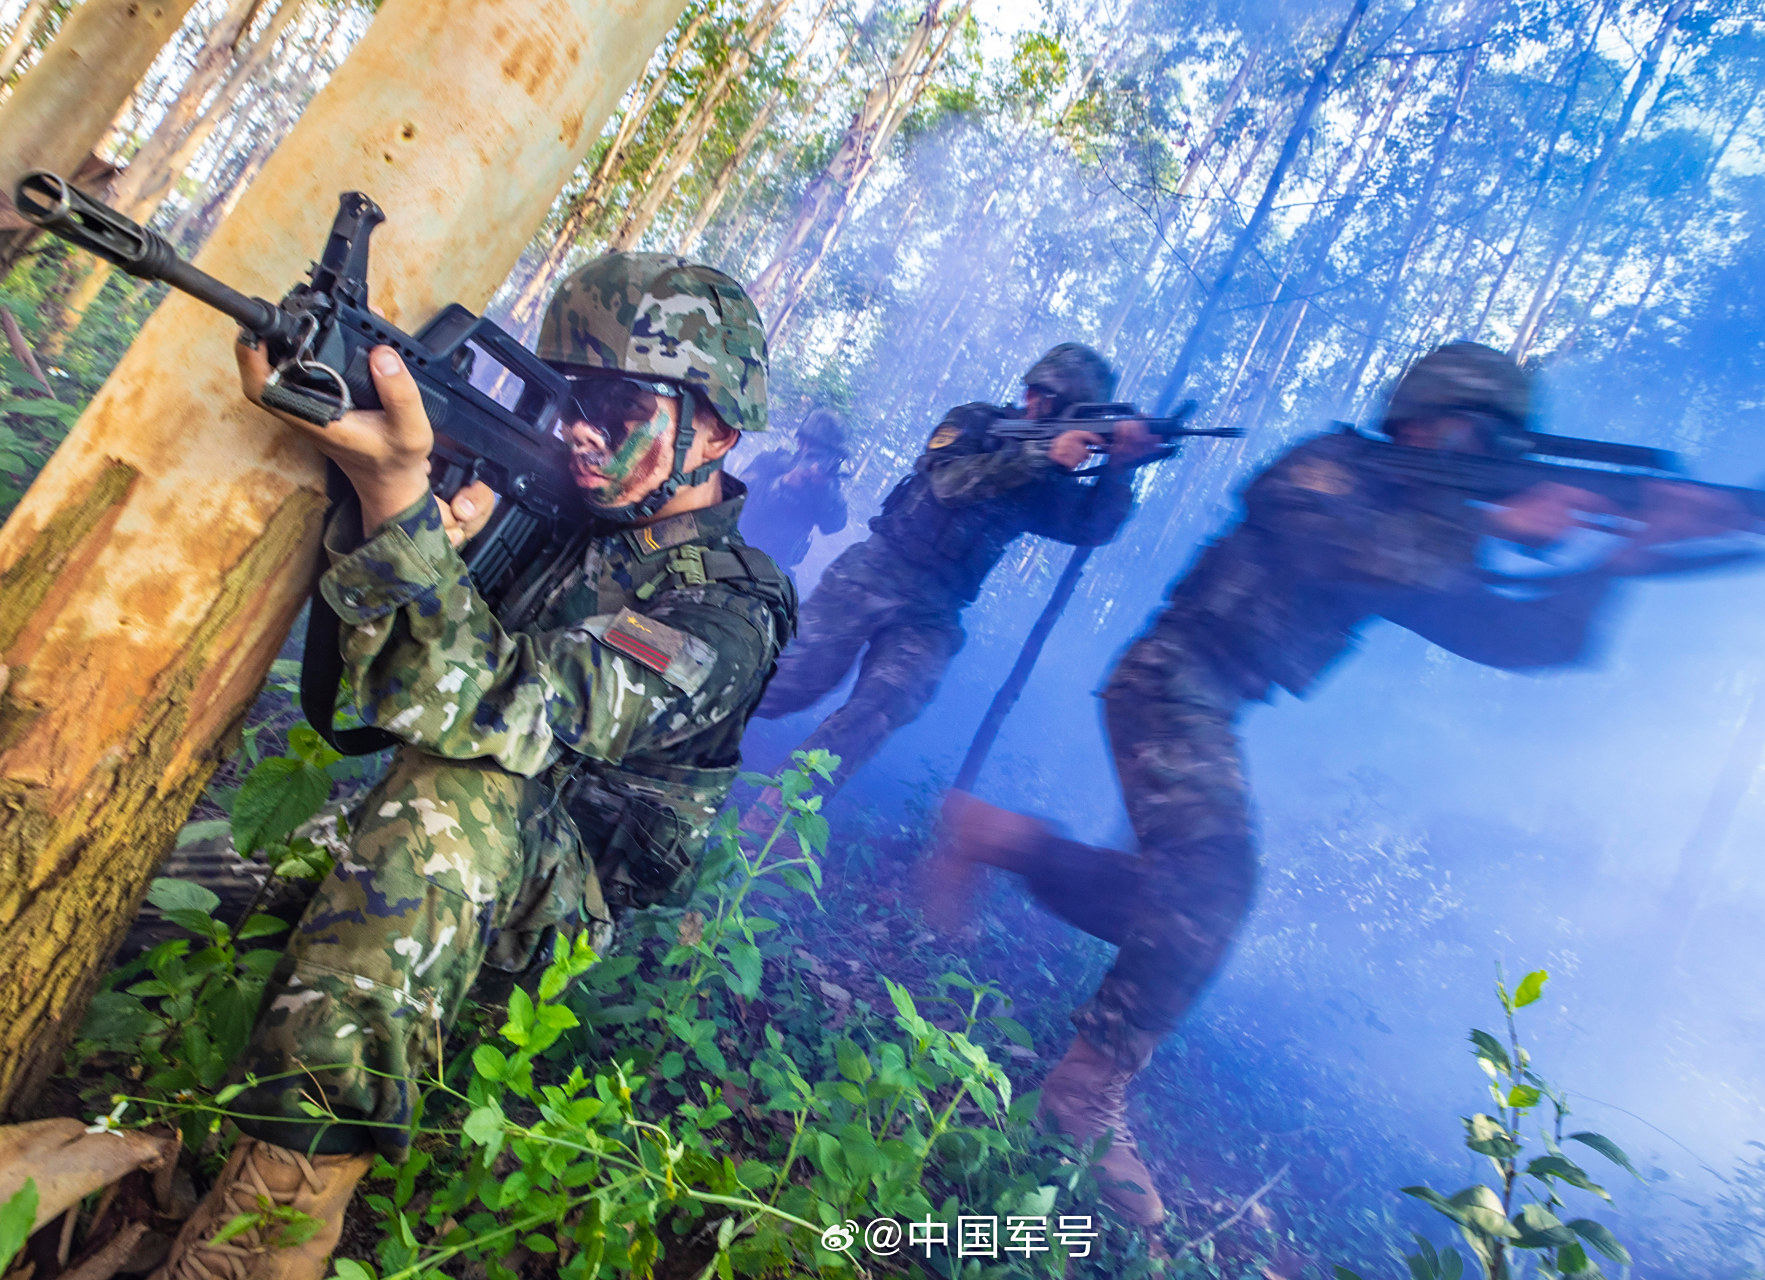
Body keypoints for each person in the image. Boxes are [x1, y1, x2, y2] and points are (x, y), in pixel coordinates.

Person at [926, 341, 1755, 1228]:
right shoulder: (1333, 464)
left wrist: (1622, 559)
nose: (1488, 463)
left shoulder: (1428, 530)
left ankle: (990, 836)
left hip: (1214, 693)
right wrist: (1502, 525)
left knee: (1167, 909)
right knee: (1212, 887)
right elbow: (1329, 536)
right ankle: (1083, 1091)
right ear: (1424, 420)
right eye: (1478, 436)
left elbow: (1521, 639)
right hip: (1174, 671)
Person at [151, 253, 795, 1280]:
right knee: (208, 885)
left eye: (622, 402)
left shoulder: (724, 608)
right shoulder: (567, 514)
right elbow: (385, 683)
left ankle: (269, 1236)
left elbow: (498, 712)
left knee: (457, 790)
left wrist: (400, 500)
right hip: (436, 842)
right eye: (574, 396)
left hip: (547, 901)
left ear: (715, 432)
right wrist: (405, 525)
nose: (582, 427)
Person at [747, 343, 1159, 819]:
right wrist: (1040, 455)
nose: (1034, 402)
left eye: (1049, 399)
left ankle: (775, 816)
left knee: (887, 704)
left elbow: (1089, 527)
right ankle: (679, 721)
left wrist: (1120, 470)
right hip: (877, 571)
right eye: (1037, 392)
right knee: (789, 683)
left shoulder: (1051, 478)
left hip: (936, 610)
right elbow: (949, 485)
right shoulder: (976, 423)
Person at [737, 406, 851, 572]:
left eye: (827, 453)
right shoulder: (770, 462)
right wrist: (781, 484)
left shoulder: (826, 486)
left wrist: (824, 490)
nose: (818, 456)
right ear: (800, 442)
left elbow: (834, 525)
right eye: (814, 446)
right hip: (737, 548)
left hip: (776, 567)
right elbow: (736, 497)